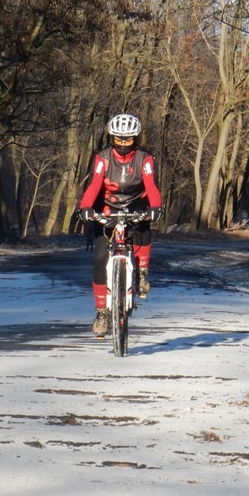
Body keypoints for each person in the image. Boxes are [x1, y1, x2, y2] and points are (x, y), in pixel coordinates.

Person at [77, 113, 163, 337]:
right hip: (107, 206)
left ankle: (142, 273)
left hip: (136, 203)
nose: (123, 145)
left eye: (128, 140)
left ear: (136, 139)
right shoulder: (102, 158)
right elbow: (95, 184)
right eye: (118, 139)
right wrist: (85, 207)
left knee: (144, 225)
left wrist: (155, 206)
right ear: (112, 138)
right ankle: (101, 313)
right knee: (99, 259)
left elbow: (151, 185)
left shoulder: (145, 158)